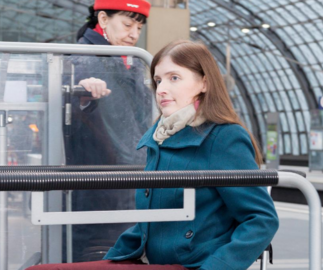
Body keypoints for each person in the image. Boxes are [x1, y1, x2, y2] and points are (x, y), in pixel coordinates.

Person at [27, 40, 279, 270]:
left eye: (174, 78)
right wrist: (115, 256)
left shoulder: (223, 137)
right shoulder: (162, 136)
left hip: (193, 263)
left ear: (204, 83)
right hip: (150, 259)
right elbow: (154, 217)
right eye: (158, 80)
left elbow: (261, 219)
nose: (162, 89)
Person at [65, 0, 154, 262]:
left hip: (128, 178)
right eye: (127, 24)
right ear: (103, 20)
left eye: (138, 27)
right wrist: (83, 93)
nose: (134, 34)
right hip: (101, 182)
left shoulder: (130, 59)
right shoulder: (81, 58)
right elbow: (69, 105)